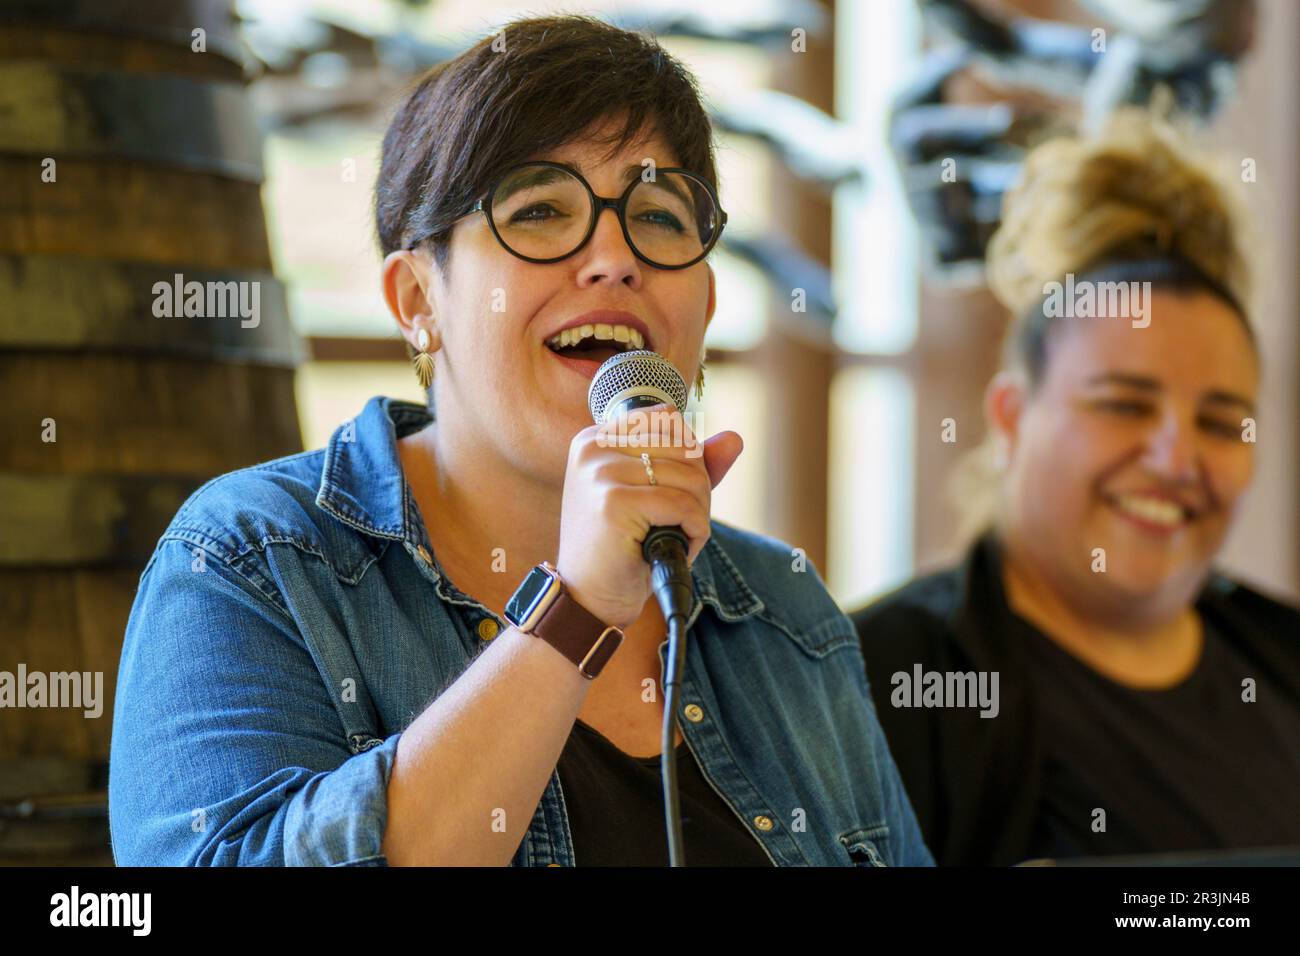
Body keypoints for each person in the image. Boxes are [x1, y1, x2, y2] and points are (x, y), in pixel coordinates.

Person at [108, 14, 932, 867]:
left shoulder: (783, 610)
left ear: (707, 304)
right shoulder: (256, 559)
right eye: (540, 210)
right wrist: (575, 612)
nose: (614, 258)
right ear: (418, 301)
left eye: (657, 217)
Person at [853, 108, 1300, 866]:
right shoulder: (880, 681)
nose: (1174, 458)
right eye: (1124, 405)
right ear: (1011, 415)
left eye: (1221, 423)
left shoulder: (1282, 662)